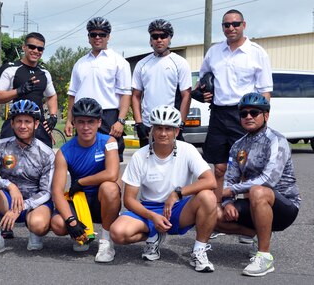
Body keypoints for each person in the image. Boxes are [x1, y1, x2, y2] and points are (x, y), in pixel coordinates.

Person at [110, 105, 217, 272]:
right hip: (149, 208)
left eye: (168, 128)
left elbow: (210, 181)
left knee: (208, 197)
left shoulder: (187, 150)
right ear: (151, 130)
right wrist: (153, 217)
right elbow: (129, 200)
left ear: (176, 131)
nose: (163, 133)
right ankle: (154, 234)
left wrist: (177, 193)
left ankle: (199, 251)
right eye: (158, 128)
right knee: (117, 233)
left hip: (178, 208)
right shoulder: (140, 156)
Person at [215, 93, 301, 277]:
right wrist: (228, 202)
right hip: (255, 204)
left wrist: (232, 190)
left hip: (284, 205)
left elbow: (268, 179)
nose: (248, 116)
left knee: (257, 191)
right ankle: (258, 236)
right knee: (213, 215)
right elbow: (230, 178)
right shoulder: (238, 145)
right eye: (243, 113)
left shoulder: (277, 140)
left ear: (266, 116)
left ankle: (264, 256)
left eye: (254, 112)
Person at [198, 9, 273, 203]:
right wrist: (201, 92)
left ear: (243, 25)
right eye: (226, 25)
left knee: (247, 168)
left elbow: (265, 91)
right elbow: (203, 79)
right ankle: (216, 213)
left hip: (244, 114)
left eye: (235, 24)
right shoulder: (214, 51)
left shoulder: (257, 52)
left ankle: (248, 216)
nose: (231, 28)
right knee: (219, 168)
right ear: (223, 27)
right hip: (218, 115)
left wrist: (262, 120)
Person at [0, 99, 55, 258]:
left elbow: (47, 192)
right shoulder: (0, 145)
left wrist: (21, 207)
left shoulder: (47, 153)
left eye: (27, 121)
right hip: (9, 200)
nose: (23, 126)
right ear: (12, 124)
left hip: (35, 203)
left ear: (36, 124)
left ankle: (34, 231)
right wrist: (9, 185)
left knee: (38, 224)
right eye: (18, 121)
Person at [51, 98, 121, 263]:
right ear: (74, 123)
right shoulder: (64, 152)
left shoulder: (109, 142)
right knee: (57, 224)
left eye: (91, 122)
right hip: (81, 201)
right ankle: (82, 234)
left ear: (99, 122)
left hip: (101, 200)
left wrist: (81, 182)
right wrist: (71, 221)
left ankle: (105, 241)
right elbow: (57, 191)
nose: (86, 127)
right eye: (81, 122)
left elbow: (112, 174)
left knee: (110, 187)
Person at [64, 17, 131, 162]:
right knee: (83, 157)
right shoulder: (80, 63)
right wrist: (69, 120)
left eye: (102, 34)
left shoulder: (119, 61)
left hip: (109, 117)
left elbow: (125, 94)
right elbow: (72, 94)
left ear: (109, 36)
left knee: (112, 159)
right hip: (82, 116)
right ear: (88, 37)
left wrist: (120, 121)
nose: (98, 37)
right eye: (93, 34)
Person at [0, 32, 58, 149]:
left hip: (38, 125)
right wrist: (18, 91)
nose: (36, 51)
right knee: (9, 164)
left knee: (45, 164)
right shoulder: (10, 68)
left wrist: (53, 116)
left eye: (40, 48)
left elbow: (52, 95)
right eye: (32, 47)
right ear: (24, 47)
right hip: (16, 124)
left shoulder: (44, 73)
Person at [132, 19, 192, 147]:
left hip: (172, 124)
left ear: (170, 39)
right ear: (150, 40)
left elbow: (186, 95)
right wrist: (139, 123)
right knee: (147, 165)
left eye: (163, 36)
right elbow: (136, 95)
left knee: (174, 165)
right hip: (149, 126)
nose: (159, 40)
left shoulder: (180, 62)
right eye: (155, 36)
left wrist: (181, 123)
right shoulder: (142, 64)